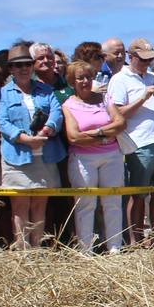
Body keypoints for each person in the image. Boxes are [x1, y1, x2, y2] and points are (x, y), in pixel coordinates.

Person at [0, 43, 64, 248]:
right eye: (18, 65)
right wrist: (23, 138)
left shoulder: (46, 90)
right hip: (16, 156)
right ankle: (23, 249)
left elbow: (56, 112)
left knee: (40, 205)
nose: (23, 68)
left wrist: (46, 130)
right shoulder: (3, 93)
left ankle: (36, 249)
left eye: (27, 64)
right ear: (11, 69)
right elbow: (2, 121)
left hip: (45, 155)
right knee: (20, 206)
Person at [107, 37, 154, 244]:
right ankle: (134, 239)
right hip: (139, 142)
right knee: (138, 193)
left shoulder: (152, 76)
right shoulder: (119, 79)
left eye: (148, 60)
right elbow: (117, 114)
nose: (146, 63)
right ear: (131, 57)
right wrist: (143, 98)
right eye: (142, 60)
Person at [61, 60, 125, 253]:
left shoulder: (105, 98)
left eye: (88, 77)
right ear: (72, 81)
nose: (85, 81)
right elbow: (73, 137)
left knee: (112, 202)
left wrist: (93, 134)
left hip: (112, 156)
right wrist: (105, 134)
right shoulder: (69, 105)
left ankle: (115, 247)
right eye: (80, 78)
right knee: (85, 204)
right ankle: (85, 250)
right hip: (82, 159)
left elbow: (120, 123)